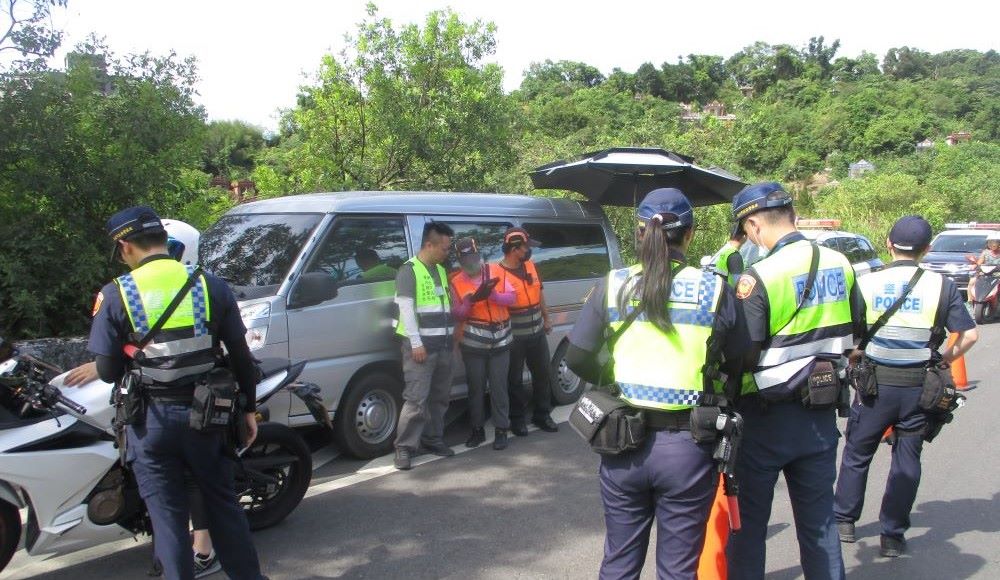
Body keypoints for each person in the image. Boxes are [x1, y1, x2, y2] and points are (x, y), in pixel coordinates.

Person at [565, 188, 749, 579]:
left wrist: (612, 378)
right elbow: (741, 359)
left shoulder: (614, 283)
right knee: (678, 569)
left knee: (618, 561)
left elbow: (577, 357)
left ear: (640, 233)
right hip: (688, 448)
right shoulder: (715, 288)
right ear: (690, 235)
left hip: (621, 441)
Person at [87, 206, 264, 580]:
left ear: (125, 247)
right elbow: (241, 358)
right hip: (209, 416)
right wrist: (248, 409)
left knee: (167, 518)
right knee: (223, 506)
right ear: (164, 241)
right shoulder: (210, 285)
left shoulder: (116, 294)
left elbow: (107, 372)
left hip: (149, 421)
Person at [726, 182, 865, 580]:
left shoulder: (759, 276)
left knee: (748, 525)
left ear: (753, 226)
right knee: (820, 523)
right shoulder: (840, 263)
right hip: (820, 410)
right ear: (792, 215)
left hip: (764, 417)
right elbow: (858, 329)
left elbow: (742, 354)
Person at [834, 215, 978, 558]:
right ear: (926, 248)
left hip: (873, 386)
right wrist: (942, 359)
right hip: (919, 387)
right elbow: (970, 335)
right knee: (907, 458)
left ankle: (844, 521)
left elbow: (850, 336)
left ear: (888, 244)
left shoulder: (867, 282)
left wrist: (856, 355)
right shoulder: (941, 286)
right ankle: (893, 535)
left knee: (857, 453)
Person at [393, 221, 457, 470]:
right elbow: (406, 309)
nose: (447, 253)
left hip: (444, 345)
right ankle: (404, 447)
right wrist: (416, 343)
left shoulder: (439, 270)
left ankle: (433, 439)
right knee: (416, 399)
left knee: (440, 397)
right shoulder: (409, 270)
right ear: (429, 245)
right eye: (444, 248)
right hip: (421, 348)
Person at [450, 237, 517, 450]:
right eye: (465, 260)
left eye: (472, 257)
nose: (470, 263)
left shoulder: (496, 271)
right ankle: (477, 430)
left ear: (478, 255)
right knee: (476, 388)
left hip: (501, 340)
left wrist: (495, 296)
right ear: (460, 261)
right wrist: (469, 302)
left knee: (499, 387)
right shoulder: (456, 281)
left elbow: (512, 298)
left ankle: (501, 430)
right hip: (473, 344)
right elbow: (457, 314)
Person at [497, 227, 558, 436]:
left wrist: (547, 318)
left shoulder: (531, 265)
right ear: (514, 249)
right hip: (514, 336)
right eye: (526, 247)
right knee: (514, 379)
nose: (529, 251)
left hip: (537, 332)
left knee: (543, 374)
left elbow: (539, 293)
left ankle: (542, 414)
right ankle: (517, 419)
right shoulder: (499, 273)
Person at [967, 232, 1000, 299]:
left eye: (994, 242)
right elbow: (979, 263)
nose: (991, 244)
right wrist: (974, 265)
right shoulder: (985, 252)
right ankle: (970, 301)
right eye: (989, 242)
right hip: (986, 274)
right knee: (972, 281)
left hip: (998, 275)